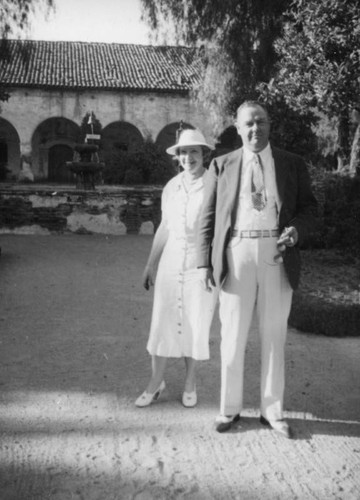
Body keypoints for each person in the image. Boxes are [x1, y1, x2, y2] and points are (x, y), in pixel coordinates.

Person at [197, 101, 317, 436]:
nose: (255, 129)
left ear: (270, 125)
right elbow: (207, 217)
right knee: (232, 334)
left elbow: (310, 208)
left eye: (260, 122)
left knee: (274, 334)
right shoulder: (221, 165)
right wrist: (204, 261)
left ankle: (272, 411)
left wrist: (297, 229)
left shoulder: (292, 164)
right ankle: (229, 409)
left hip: (277, 251)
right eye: (248, 123)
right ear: (237, 127)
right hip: (237, 251)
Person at [135, 128, 217, 409]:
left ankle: (190, 382)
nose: (188, 157)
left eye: (194, 151)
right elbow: (165, 227)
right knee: (162, 321)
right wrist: (151, 264)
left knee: (196, 322)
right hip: (171, 263)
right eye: (183, 152)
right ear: (178, 156)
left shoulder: (216, 185)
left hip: (201, 266)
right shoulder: (171, 187)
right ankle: (155, 382)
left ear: (204, 154)